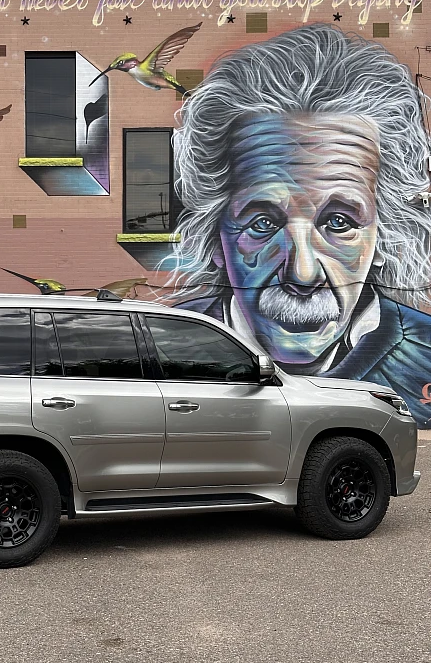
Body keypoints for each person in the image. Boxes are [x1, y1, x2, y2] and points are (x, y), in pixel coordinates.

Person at [171, 23, 431, 426]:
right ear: (216, 234)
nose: (303, 273)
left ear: (384, 238)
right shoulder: (161, 347)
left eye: (340, 222)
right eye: (262, 223)